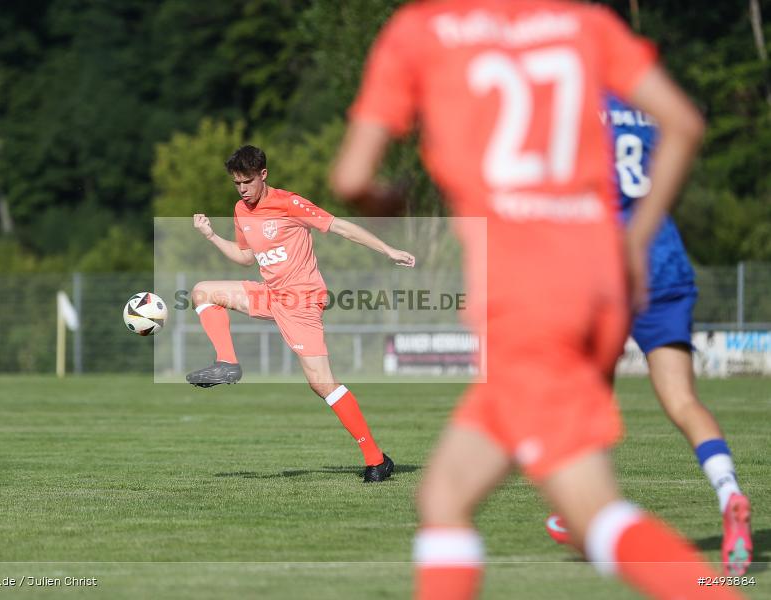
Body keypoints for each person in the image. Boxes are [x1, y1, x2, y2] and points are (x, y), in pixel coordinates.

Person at [331, 1, 744, 598]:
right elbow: (683, 123)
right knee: (445, 494)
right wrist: (637, 237)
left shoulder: (420, 31)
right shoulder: (585, 24)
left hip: (530, 297)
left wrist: (386, 200)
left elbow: (350, 177)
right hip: (597, 281)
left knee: (593, 513)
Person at [545, 94, 752, 576]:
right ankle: (729, 491)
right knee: (683, 401)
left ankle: (582, 509)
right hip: (665, 261)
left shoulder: (573, 102)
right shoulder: (649, 107)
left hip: (609, 266)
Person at [187, 144, 415, 482]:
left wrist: (387, 250)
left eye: (248, 182)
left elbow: (341, 227)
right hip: (271, 294)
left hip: (301, 300)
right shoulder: (241, 209)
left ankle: (376, 459)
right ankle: (227, 363)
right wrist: (211, 236)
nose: (243, 189)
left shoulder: (288, 203)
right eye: (237, 183)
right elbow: (246, 257)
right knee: (202, 292)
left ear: (263, 174)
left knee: (321, 383)